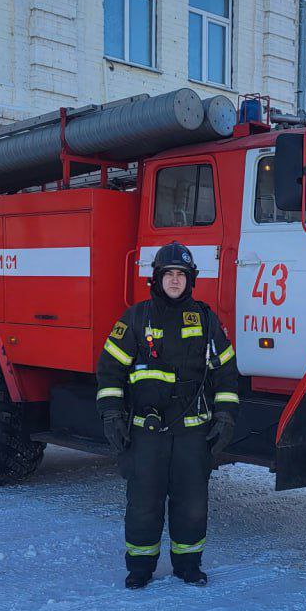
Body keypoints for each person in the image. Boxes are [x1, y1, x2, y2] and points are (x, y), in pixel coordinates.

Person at [95, 241, 239, 589]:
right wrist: (112, 414)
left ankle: (188, 565)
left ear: (191, 281)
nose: (175, 281)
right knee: (144, 501)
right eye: (168, 274)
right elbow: (109, 369)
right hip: (146, 431)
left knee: (192, 503)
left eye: (181, 275)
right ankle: (140, 569)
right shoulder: (135, 318)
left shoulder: (206, 320)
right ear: (156, 279)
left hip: (193, 433)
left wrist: (226, 417)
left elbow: (226, 373)